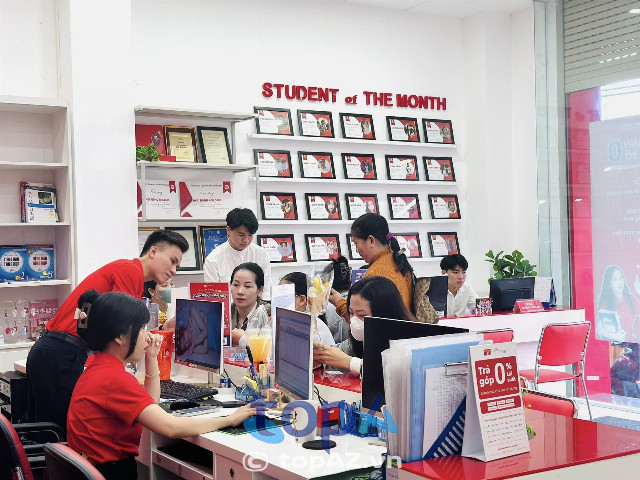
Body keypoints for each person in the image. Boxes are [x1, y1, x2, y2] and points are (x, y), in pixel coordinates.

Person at [67, 290, 256, 479]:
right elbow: (170, 427)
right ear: (120, 337)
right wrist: (229, 419)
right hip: (113, 472)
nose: (147, 335)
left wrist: (151, 357)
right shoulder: (114, 378)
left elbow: (150, 404)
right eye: (141, 329)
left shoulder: (98, 367)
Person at [26, 230, 189, 432]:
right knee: (60, 440)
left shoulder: (132, 274)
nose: (174, 270)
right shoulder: (130, 270)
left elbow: (124, 330)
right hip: (62, 353)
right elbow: (125, 328)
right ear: (153, 251)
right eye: (172, 261)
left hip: (54, 350)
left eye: (178, 266)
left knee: (50, 436)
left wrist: (163, 329)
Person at [314, 276, 417, 376]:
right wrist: (318, 357)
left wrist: (351, 363)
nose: (354, 320)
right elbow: (336, 354)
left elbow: (395, 375)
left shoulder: (409, 342)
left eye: (361, 315)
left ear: (383, 314)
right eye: (351, 313)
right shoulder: (360, 340)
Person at [329, 213, 413, 321]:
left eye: (356, 243)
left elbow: (363, 322)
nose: (356, 250)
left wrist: (339, 302)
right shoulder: (399, 262)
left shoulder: (376, 273)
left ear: (371, 240)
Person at [203, 208, 271, 300]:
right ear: (228, 230)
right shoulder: (213, 260)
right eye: (241, 235)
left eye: (250, 235)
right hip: (228, 311)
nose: (246, 240)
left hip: (257, 310)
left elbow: (266, 291)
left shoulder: (261, 254)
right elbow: (214, 297)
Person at [278, 272, 335, 346]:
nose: (278, 301)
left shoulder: (312, 327)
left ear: (302, 299)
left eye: (283, 296)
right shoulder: (291, 320)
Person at [596, 265, 640, 342]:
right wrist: (614, 336)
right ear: (609, 283)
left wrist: (638, 291)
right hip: (612, 347)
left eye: (621, 278)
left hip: (630, 345)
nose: (620, 282)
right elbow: (598, 328)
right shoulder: (605, 302)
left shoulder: (629, 298)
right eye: (615, 279)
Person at [229, 262, 270, 346]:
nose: (240, 291)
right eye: (236, 285)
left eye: (247, 286)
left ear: (260, 290)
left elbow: (269, 352)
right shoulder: (224, 313)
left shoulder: (268, 315)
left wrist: (243, 339)